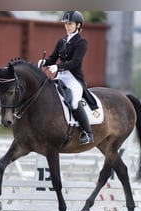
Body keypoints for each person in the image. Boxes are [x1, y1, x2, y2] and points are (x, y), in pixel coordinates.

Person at [38, 10, 95, 145]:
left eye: (70, 24)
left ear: (78, 25)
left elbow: (75, 62)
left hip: (74, 79)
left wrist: (58, 67)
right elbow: (53, 58)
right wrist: (44, 62)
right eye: (66, 24)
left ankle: (88, 133)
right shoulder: (61, 41)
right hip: (61, 77)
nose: (67, 26)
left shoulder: (81, 42)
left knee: (74, 102)